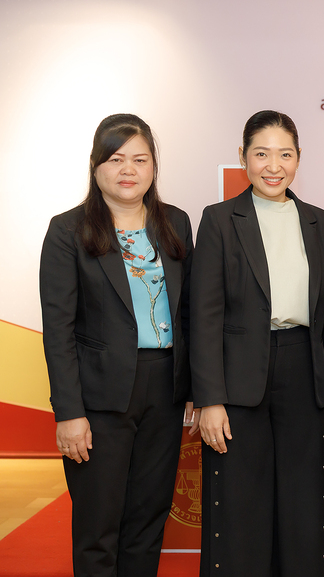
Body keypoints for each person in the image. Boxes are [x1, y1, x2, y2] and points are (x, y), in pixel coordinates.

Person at [190, 110, 324, 577]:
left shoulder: (320, 223)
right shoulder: (219, 219)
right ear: (243, 157)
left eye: (285, 154)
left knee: (302, 503)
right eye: (261, 154)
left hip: (304, 372)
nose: (273, 166)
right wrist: (209, 399)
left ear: (299, 158)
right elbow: (203, 316)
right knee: (240, 503)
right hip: (238, 378)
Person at [40, 114, 195, 577]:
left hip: (164, 391)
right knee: (98, 526)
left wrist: (195, 388)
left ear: (153, 167)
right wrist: (69, 413)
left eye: (140, 159)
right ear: (96, 166)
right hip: (99, 398)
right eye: (116, 159)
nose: (128, 169)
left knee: (148, 521)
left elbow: (189, 312)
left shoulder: (176, 223)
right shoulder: (68, 231)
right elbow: (58, 330)